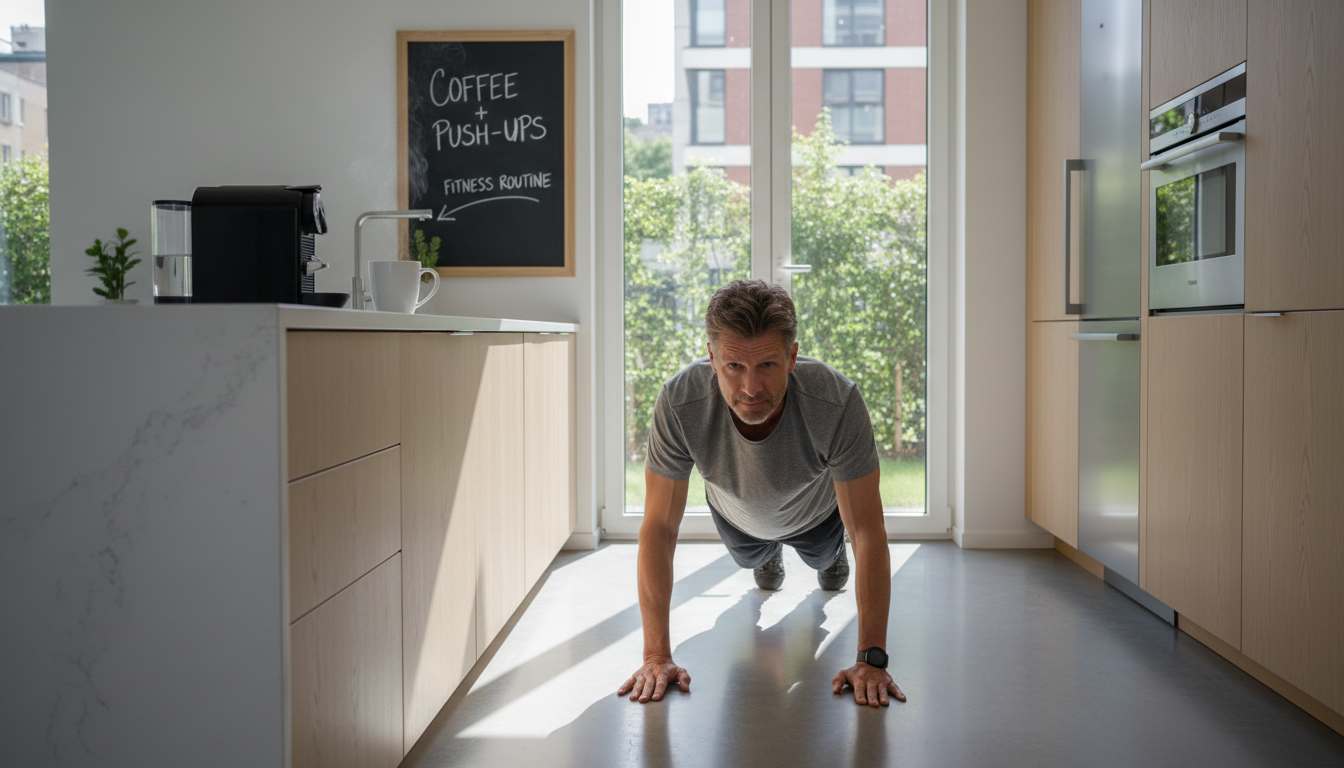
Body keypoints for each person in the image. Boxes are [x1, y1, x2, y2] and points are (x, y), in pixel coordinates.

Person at [616, 279, 907, 709]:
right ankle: (767, 555)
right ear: (712, 358)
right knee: (755, 559)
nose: (751, 387)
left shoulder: (837, 400)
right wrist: (655, 656)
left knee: (828, 565)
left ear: (791, 357)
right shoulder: (680, 401)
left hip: (817, 518)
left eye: (767, 365)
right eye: (734, 367)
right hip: (738, 517)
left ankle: (827, 560)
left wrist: (872, 659)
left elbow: (866, 531)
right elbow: (659, 528)